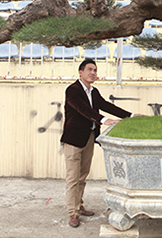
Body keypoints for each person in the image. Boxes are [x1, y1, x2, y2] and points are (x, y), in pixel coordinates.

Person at [61, 59, 143, 228]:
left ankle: (79, 205)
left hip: (89, 138)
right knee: (73, 178)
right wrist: (103, 120)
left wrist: (131, 116)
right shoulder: (72, 90)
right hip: (73, 140)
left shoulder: (94, 91)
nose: (93, 73)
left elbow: (106, 105)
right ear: (80, 72)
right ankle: (73, 213)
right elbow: (83, 109)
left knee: (82, 176)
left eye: (95, 70)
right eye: (89, 69)